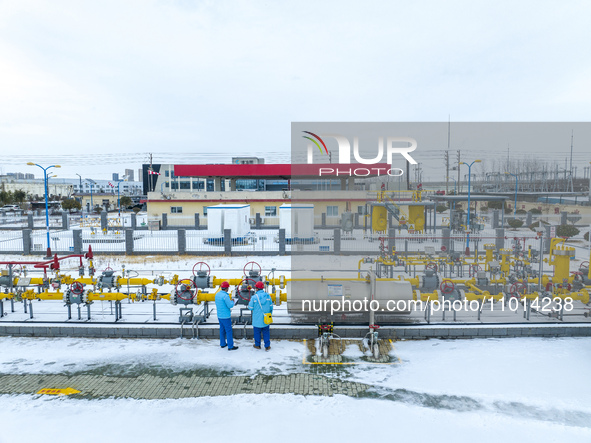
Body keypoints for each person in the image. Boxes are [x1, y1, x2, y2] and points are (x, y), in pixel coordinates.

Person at [248, 281, 273, 351]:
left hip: (257, 319)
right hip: (266, 318)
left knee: (257, 333)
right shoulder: (268, 296)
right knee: (266, 332)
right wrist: (269, 314)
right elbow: (271, 307)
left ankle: (257, 345)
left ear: (256, 288)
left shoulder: (254, 297)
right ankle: (267, 346)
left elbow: (250, 307)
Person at [215, 281, 238, 351]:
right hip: (226, 316)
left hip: (219, 315)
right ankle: (230, 346)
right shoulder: (225, 296)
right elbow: (230, 305)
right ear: (227, 288)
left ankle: (222, 344)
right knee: (228, 331)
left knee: (222, 330)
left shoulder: (217, 294)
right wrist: (233, 301)